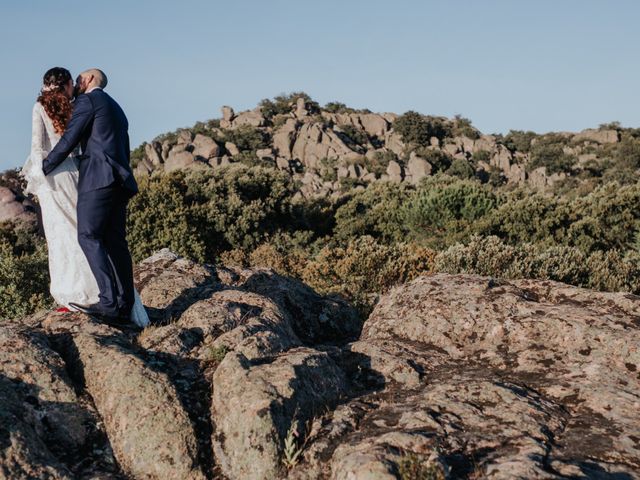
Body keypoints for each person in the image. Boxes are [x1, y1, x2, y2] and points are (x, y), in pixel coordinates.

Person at [25, 67, 147, 328]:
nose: (77, 83)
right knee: (115, 242)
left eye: (80, 78)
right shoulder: (116, 107)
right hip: (119, 181)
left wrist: (42, 170)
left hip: (96, 179)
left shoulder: (88, 100)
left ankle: (108, 303)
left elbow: (69, 140)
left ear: (90, 80)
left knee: (88, 236)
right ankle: (125, 306)